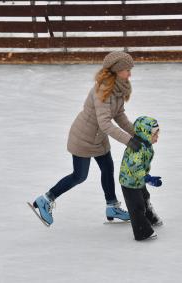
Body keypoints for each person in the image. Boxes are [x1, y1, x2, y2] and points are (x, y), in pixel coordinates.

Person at [29, 51, 144, 227]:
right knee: (79, 176)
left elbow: (119, 115)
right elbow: (105, 123)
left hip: (99, 138)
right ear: (117, 70)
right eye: (127, 70)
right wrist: (129, 141)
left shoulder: (119, 87)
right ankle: (46, 199)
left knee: (107, 169)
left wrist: (137, 135)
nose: (130, 74)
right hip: (84, 138)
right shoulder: (103, 90)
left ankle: (112, 206)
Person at [119, 116, 163, 241]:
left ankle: (150, 218)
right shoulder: (137, 148)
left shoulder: (146, 145)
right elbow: (135, 167)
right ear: (145, 134)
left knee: (145, 198)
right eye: (155, 135)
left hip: (138, 180)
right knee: (136, 206)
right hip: (129, 182)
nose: (157, 138)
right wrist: (147, 178)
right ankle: (142, 232)